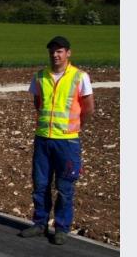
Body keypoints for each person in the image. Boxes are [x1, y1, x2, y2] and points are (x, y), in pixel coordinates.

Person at [19, 36, 94, 245]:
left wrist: (76, 126)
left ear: (68, 53)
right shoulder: (40, 76)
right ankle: (40, 223)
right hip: (43, 138)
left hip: (67, 141)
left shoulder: (80, 77)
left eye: (59, 51)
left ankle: (61, 228)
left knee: (65, 187)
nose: (55, 55)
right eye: (52, 51)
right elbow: (38, 102)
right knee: (40, 184)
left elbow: (89, 107)